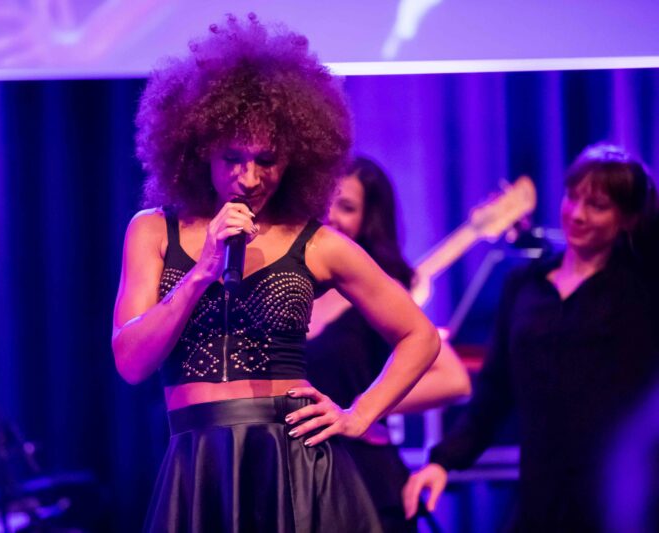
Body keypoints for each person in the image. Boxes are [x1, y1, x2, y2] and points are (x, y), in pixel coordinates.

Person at [111, 14, 441, 533]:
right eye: (233, 157)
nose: (249, 178)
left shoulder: (317, 243)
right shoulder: (153, 230)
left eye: (267, 159)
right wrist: (201, 273)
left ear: (296, 156)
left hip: (295, 467)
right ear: (199, 147)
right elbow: (131, 362)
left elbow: (420, 336)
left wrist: (359, 413)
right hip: (199, 468)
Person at [402, 143, 659, 531]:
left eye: (597, 206)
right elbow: (494, 393)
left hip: (620, 500)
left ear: (627, 218)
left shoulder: (641, 288)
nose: (577, 213)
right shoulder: (525, 284)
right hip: (541, 492)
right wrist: (443, 461)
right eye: (572, 197)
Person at [306, 156, 472, 531]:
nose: (330, 214)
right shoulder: (285, 282)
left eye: (346, 207)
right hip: (293, 475)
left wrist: (363, 406)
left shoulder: (375, 291)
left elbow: (453, 378)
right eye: (324, 199)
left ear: (368, 220)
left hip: (362, 476)